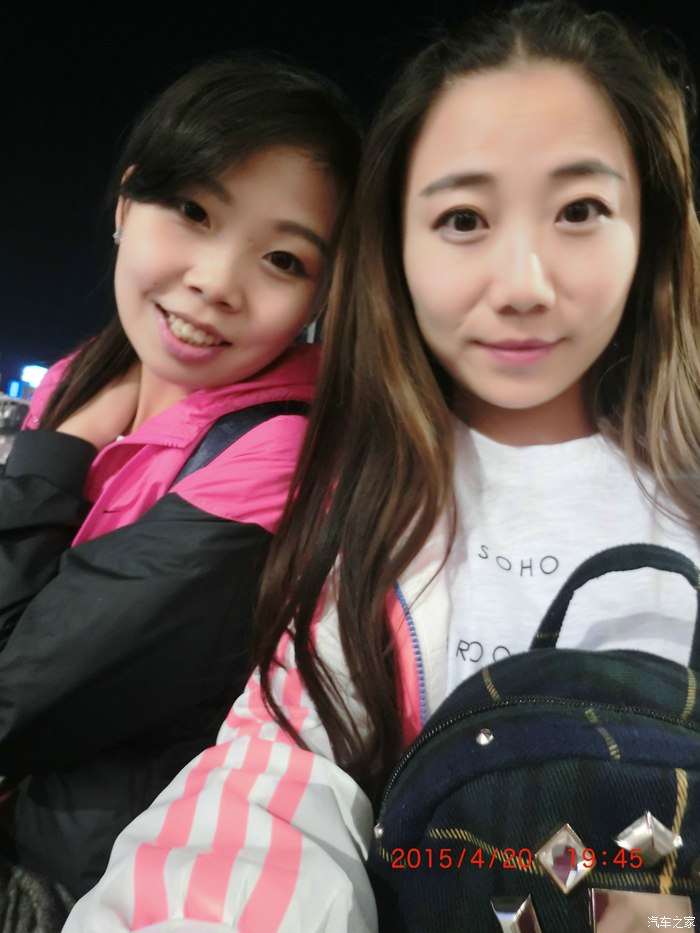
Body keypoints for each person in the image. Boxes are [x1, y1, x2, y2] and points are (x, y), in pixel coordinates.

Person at [65, 1, 700, 930]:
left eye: (580, 210)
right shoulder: (370, 491)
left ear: (650, 230)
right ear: (393, 248)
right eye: (463, 218)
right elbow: (275, 782)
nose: (522, 285)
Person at [0, 55, 360, 904]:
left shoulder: (281, 453)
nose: (215, 282)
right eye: (194, 211)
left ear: (320, 297)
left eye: (283, 260)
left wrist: (57, 448)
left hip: (84, 887)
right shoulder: (81, 374)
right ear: (127, 204)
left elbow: (16, 699)